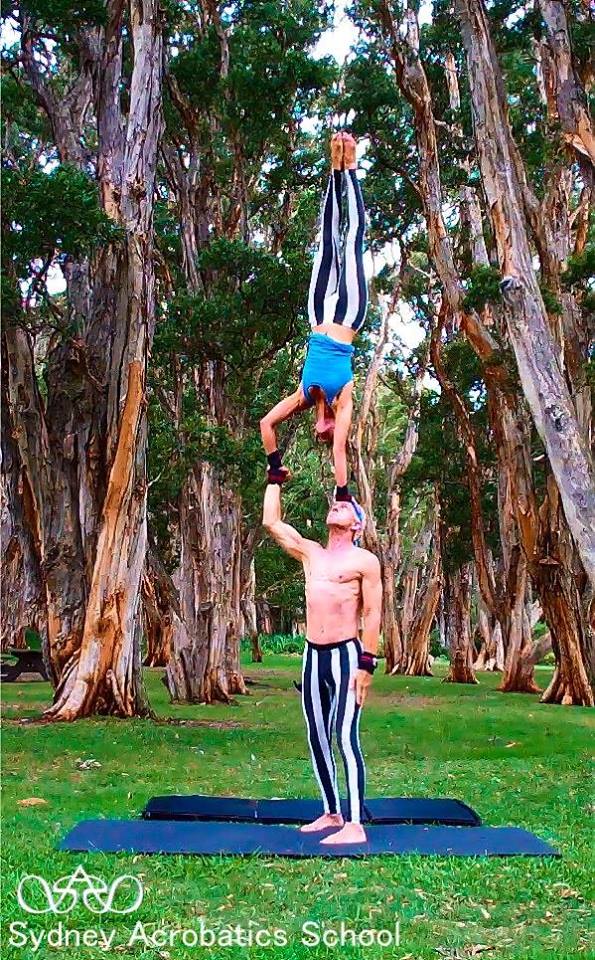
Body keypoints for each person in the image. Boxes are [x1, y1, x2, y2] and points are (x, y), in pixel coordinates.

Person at [262, 482, 382, 844]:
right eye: (335, 504)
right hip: (313, 655)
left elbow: (374, 613)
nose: (337, 506)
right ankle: (332, 812)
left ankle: (355, 824)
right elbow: (272, 522)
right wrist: (273, 474)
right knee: (317, 735)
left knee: (345, 736)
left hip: (347, 654)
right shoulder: (311, 553)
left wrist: (367, 664)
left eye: (345, 507)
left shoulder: (365, 561)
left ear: (357, 524)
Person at [260, 131, 368, 502]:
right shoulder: (345, 398)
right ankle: (349, 169)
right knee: (351, 240)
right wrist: (342, 494)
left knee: (325, 242)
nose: (324, 433)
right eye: (330, 431)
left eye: (319, 433)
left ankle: (334, 170)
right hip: (350, 315)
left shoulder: (303, 396)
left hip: (319, 314)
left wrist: (275, 466)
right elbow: (340, 451)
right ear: (337, 426)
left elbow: (266, 424)